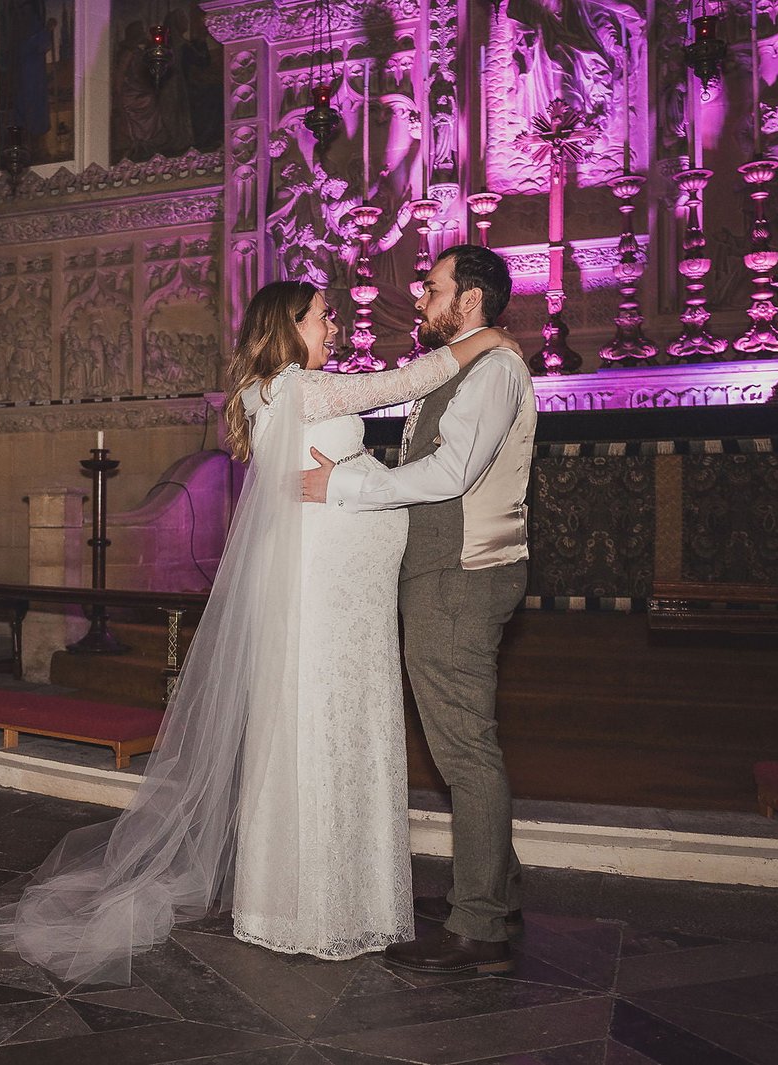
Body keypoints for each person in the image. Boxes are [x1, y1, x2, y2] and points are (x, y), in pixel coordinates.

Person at [0, 280, 517, 984]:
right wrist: (491, 339)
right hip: (329, 593)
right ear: (290, 325)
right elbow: (410, 378)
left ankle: (302, 898)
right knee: (323, 729)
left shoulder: (267, 393)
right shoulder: (299, 389)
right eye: (325, 315)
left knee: (324, 727)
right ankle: (324, 906)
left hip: (343, 593)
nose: (337, 324)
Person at [302, 244, 535, 976]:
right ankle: (494, 891)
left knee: (465, 747)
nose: (421, 298)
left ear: (469, 299)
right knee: (463, 742)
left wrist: (343, 485)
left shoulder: (494, 370)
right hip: (442, 572)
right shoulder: (467, 363)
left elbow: (451, 472)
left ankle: (479, 926)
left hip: (460, 574)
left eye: (432, 287)